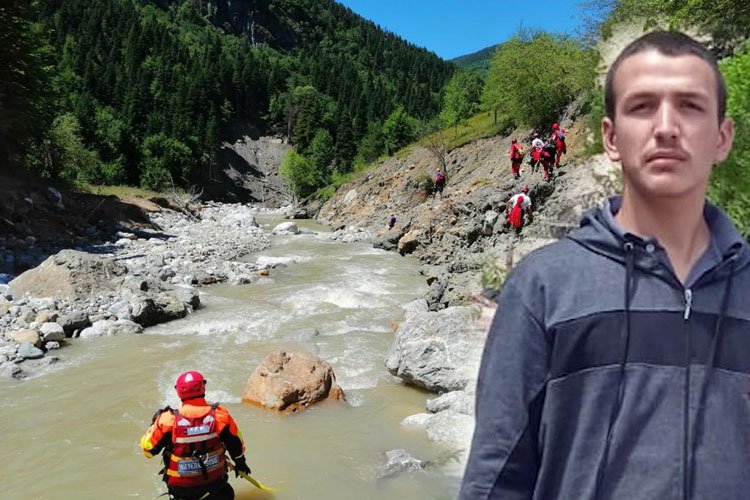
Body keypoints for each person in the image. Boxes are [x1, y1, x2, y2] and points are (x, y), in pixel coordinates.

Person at [459, 30, 744, 500]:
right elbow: (497, 476)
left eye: (691, 106)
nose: (667, 126)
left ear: (722, 137)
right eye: (642, 106)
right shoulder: (542, 288)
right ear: (610, 138)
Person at [140, 371, 251, 500]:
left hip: (181, 490)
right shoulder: (221, 415)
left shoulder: (166, 420)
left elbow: (148, 450)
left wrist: (153, 423)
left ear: (178, 391)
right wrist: (240, 463)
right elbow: (237, 445)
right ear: (203, 386)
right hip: (216, 485)